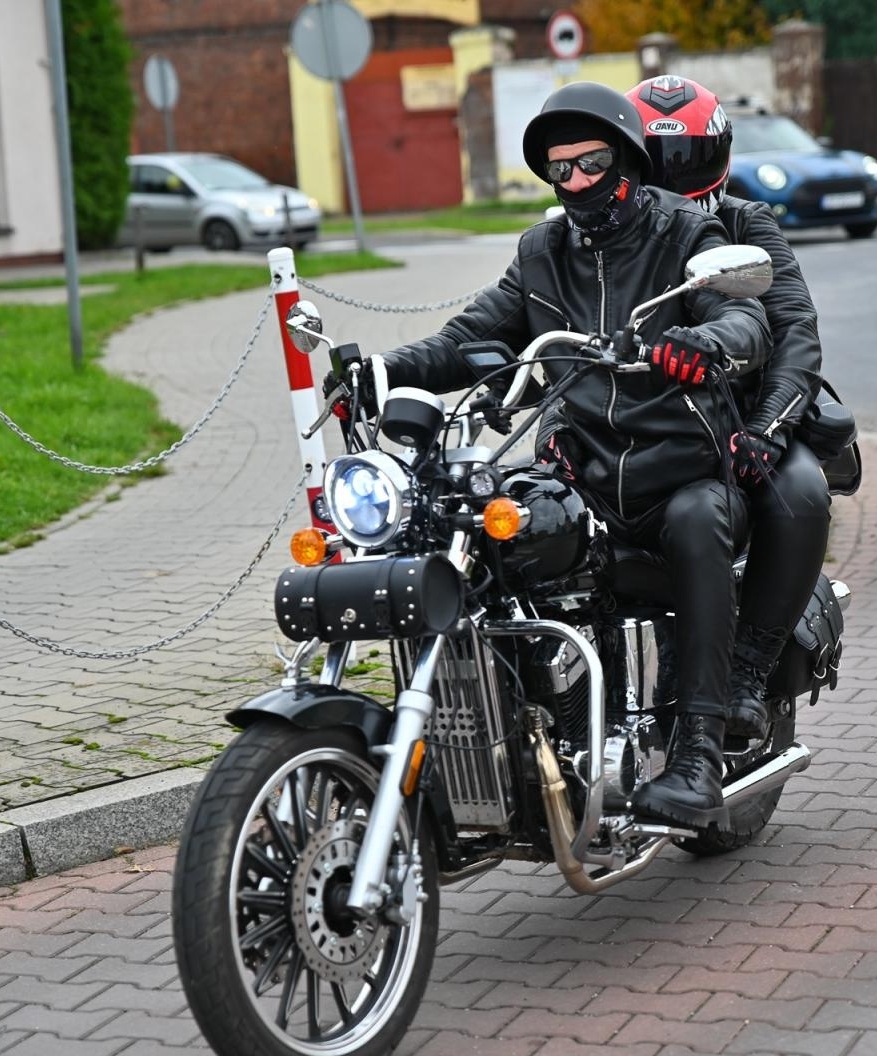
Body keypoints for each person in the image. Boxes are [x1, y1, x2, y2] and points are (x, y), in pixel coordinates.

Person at [325, 82, 771, 829]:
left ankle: (697, 753)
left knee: (699, 521)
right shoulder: (543, 251)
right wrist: (381, 371)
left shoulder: (686, 235)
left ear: (627, 158)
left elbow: (745, 318)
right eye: (559, 170)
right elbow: (471, 334)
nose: (575, 182)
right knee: (489, 527)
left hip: (681, 468)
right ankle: (532, 730)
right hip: (584, 467)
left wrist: (703, 343)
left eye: (590, 162)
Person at [624, 74, 832, 745]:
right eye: (657, 158)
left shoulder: (746, 224)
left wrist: (769, 429)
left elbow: (795, 331)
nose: (670, 171)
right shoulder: (605, 235)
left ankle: (748, 667)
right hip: (631, 428)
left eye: (684, 155)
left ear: (715, 154)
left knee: (798, 491)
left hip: (740, 419)